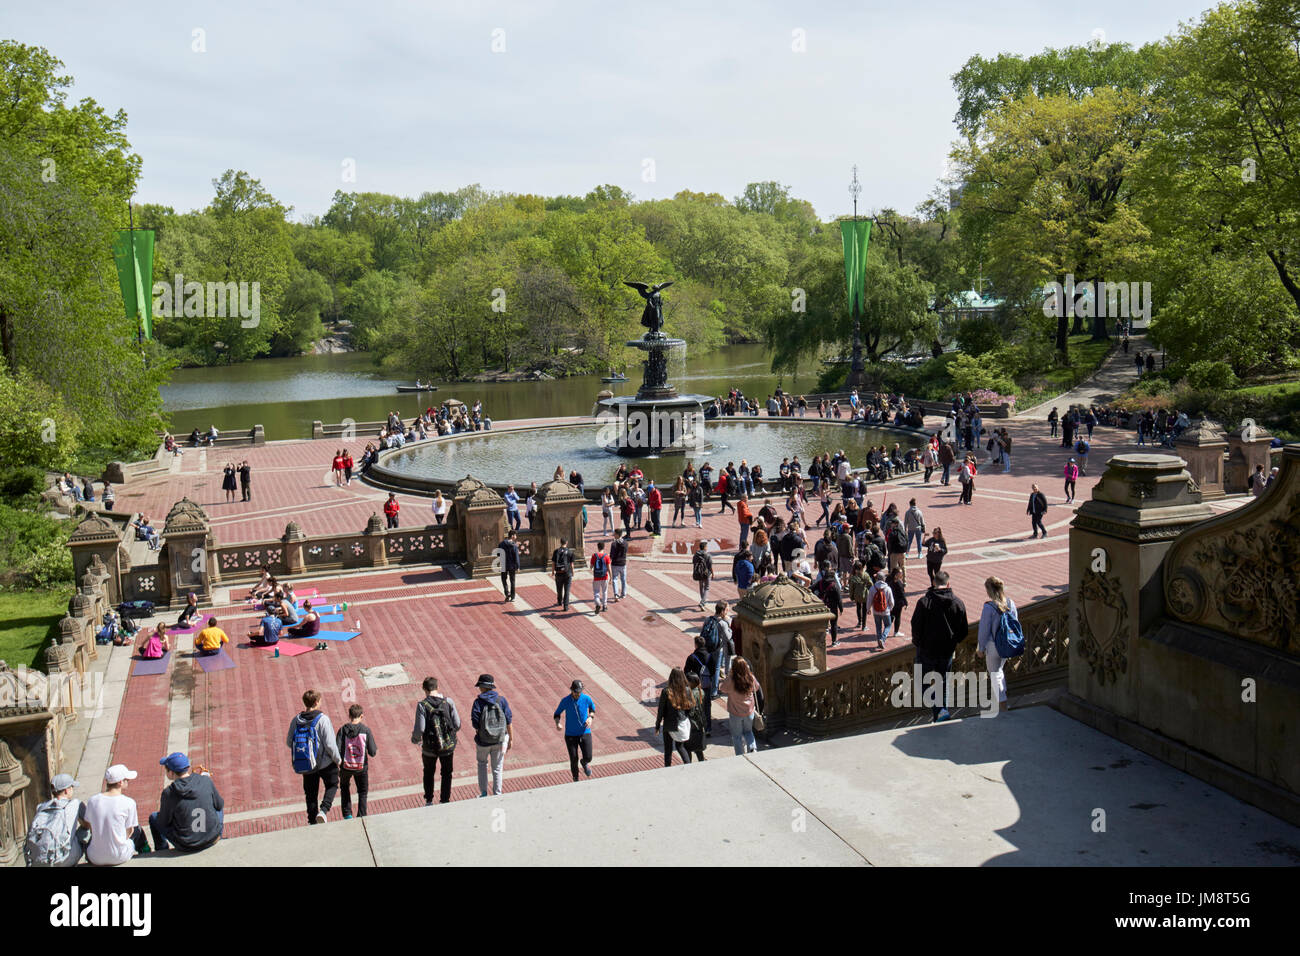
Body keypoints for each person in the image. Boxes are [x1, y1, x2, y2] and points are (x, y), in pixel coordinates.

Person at [909, 570, 970, 722]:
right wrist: (953, 641)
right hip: (947, 651)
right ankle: (942, 713)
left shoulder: (924, 602)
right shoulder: (958, 603)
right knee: (943, 683)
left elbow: (915, 626)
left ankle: (939, 710)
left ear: (934, 583)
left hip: (926, 651)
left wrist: (918, 642)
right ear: (948, 583)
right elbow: (963, 631)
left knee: (920, 681)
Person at [149, 752, 223, 852]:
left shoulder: (169, 793)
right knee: (217, 806)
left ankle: (162, 848)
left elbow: (164, 822)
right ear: (187, 767)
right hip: (212, 838)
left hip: (187, 845)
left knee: (153, 817)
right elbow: (219, 805)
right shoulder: (205, 780)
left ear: (171, 772)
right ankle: (215, 834)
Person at [287, 688, 341, 824]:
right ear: (317, 702)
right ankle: (323, 810)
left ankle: (312, 820)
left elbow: (289, 742)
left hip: (306, 763)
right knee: (333, 784)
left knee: (311, 794)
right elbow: (330, 744)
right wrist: (338, 760)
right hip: (325, 763)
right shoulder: (322, 720)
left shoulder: (296, 720)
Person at [82, 765, 149, 863]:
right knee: (137, 828)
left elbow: (91, 828)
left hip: (95, 858)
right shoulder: (129, 802)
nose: (128, 781)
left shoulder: (92, 801)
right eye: (127, 780)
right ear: (120, 782)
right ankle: (145, 851)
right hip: (120, 856)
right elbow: (129, 831)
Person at [413, 676, 460, 805]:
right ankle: (445, 799)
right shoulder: (448, 701)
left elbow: (420, 728)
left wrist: (415, 739)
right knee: (446, 773)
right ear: (437, 687)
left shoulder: (422, 705)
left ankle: (429, 799)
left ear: (424, 689)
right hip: (447, 746)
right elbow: (457, 724)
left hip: (429, 747)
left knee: (428, 772)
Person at [24, 773, 86, 867]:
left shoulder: (41, 807)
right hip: (60, 859)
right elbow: (88, 824)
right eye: (72, 787)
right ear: (66, 790)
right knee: (84, 832)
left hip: (36, 860)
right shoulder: (75, 804)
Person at [977, 576, 1017, 714]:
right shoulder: (1011, 603)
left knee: (995, 674)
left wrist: (980, 648)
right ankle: (1002, 699)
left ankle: (1002, 704)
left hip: (993, 645)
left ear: (989, 590)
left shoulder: (989, 607)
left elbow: (984, 630)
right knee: (999, 671)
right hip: (1007, 643)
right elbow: (1016, 623)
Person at [471, 674, 513, 797]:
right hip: (499, 740)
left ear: (483, 687)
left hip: (483, 741)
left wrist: (480, 731)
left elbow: (475, 722)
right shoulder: (501, 700)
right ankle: (497, 793)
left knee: (482, 764)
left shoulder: (478, 702)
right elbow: (509, 720)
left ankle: (483, 792)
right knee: (497, 768)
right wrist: (510, 738)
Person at [336, 704, 378, 819]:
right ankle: (362, 815)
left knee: (344, 788)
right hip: (361, 767)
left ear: (349, 715)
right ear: (362, 716)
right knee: (362, 792)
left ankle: (347, 814)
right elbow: (373, 752)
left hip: (345, 767)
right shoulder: (366, 730)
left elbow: (337, 749)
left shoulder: (342, 730)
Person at [717, 656, 764, 755]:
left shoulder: (731, 680)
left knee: (737, 735)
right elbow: (757, 688)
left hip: (735, 712)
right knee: (749, 731)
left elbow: (722, 688)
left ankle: (739, 754)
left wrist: (729, 675)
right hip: (749, 711)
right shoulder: (750, 677)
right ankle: (752, 748)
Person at [554, 679, 596, 781]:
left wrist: (590, 718)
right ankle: (575, 778)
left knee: (589, 756)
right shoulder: (565, 701)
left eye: (579, 692)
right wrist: (557, 723)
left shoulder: (586, 698)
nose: (578, 694)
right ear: (571, 690)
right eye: (576, 692)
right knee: (573, 759)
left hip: (584, 732)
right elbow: (557, 714)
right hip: (570, 735)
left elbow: (592, 709)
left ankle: (584, 762)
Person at [654, 668, 695, 766]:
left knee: (668, 750)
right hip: (682, 721)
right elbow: (691, 708)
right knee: (680, 747)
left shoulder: (666, 691)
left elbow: (661, 710)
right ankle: (688, 765)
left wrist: (657, 726)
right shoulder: (687, 690)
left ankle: (668, 768)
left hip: (669, 723)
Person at [683, 636, 717, 735]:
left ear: (696, 644)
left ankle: (696, 727)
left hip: (695, 686)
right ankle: (708, 728)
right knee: (707, 707)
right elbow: (713, 671)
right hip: (706, 684)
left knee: (695, 706)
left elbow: (686, 672)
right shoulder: (710, 656)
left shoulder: (692, 657)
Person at [813, 560, 844, 647]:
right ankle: (834, 641)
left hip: (823, 605)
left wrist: (817, 595)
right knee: (834, 624)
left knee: (822, 623)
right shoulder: (834, 585)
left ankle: (820, 641)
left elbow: (811, 588)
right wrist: (841, 608)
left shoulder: (821, 582)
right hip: (832, 606)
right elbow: (839, 598)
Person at [866, 570, 894, 649]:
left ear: (877, 579)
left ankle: (879, 641)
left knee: (878, 627)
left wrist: (868, 609)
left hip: (876, 611)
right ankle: (883, 638)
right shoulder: (888, 588)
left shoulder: (872, 588)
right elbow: (891, 601)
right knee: (888, 625)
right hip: (885, 611)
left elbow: (869, 600)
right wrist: (890, 608)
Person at [551, 537, 575, 611]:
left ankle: (559, 601)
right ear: (566, 542)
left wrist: (552, 572)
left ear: (560, 542)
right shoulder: (570, 552)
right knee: (567, 590)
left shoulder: (556, 551)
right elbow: (571, 564)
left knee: (559, 588)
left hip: (558, 573)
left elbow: (553, 563)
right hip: (567, 573)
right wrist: (573, 572)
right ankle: (566, 606)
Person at [497, 529, 520, 602]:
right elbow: (516, 557)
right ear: (512, 536)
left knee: (504, 579)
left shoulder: (501, 544)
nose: (516, 537)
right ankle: (512, 596)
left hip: (504, 565)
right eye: (515, 535)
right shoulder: (514, 545)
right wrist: (518, 566)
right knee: (512, 581)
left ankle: (507, 593)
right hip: (512, 566)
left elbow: (498, 554)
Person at [848, 560, 871, 631]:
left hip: (856, 595)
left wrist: (851, 596)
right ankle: (864, 626)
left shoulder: (853, 577)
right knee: (864, 610)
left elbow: (851, 588)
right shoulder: (865, 575)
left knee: (858, 607)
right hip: (864, 594)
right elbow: (870, 584)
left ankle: (859, 622)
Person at [691, 540, 714, 611]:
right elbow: (710, 566)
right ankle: (702, 602)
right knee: (706, 588)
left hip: (698, 573)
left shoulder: (696, 555)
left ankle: (702, 600)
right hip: (706, 574)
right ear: (704, 547)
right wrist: (713, 573)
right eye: (707, 546)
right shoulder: (708, 555)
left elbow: (694, 563)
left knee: (701, 587)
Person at [589, 540, 611, 613]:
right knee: (604, 591)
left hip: (596, 576)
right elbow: (609, 568)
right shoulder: (606, 556)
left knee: (596, 591)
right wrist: (610, 577)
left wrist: (592, 566)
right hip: (604, 576)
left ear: (598, 547)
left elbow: (591, 566)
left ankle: (598, 603)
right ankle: (604, 606)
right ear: (603, 547)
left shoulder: (594, 556)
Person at [888, 565, 908, 640]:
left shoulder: (889, 580)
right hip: (898, 602)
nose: (902, 574)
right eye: (900, 573)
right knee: (898, 617)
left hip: (891, 601)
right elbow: (902, 594)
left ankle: (886, 630)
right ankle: (896, 632)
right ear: (896, 574)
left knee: (891, 616)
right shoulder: (899, 583)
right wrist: (906, 602)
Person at [609, 529, 629, 602]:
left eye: (614, 534)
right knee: (623, 579)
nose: (614, 535)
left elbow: (611, 555)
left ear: (617, 534)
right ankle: (623, 593)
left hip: (615, 564)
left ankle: (616, 594)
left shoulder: (614, 544)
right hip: (623, 563)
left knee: (615, 579)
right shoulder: (625, 543)